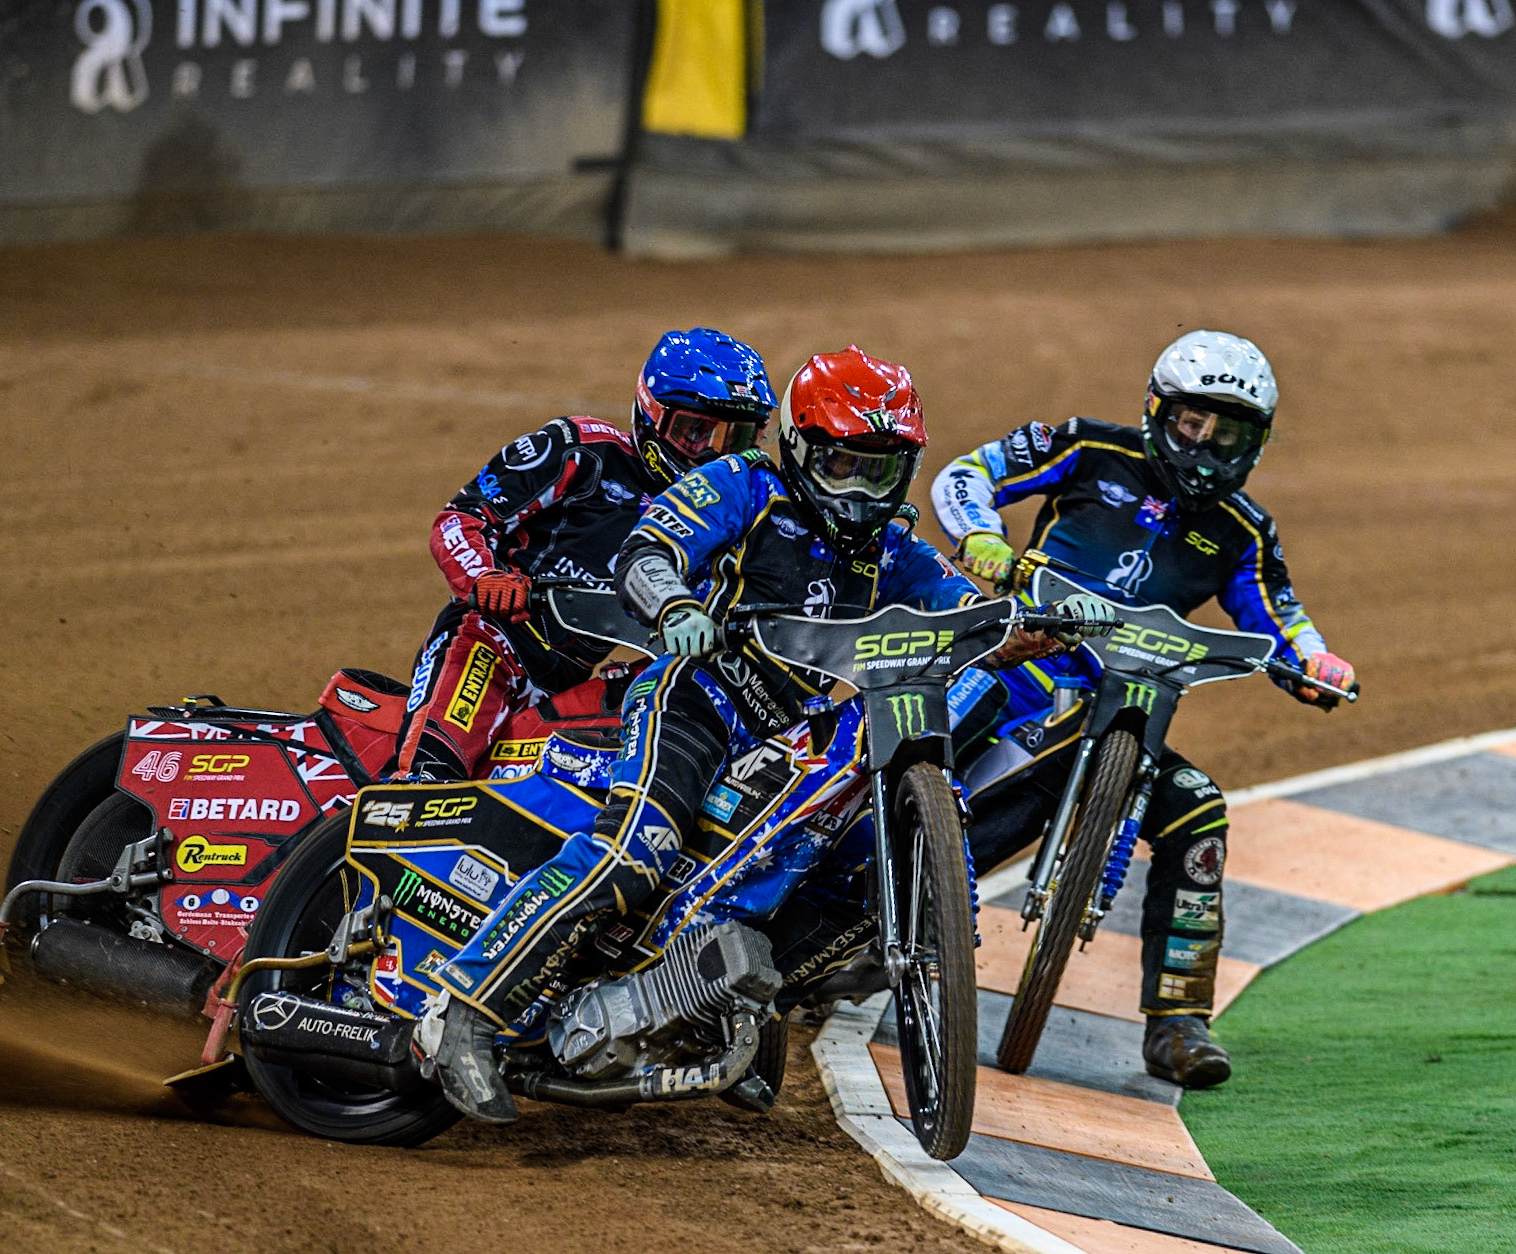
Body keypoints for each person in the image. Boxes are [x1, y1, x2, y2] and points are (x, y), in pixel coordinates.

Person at [419, 346, 1086, 1124]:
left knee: (785, 878)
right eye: (843, 463)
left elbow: (959, 621)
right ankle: (460, 1012)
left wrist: (1034, 627)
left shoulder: (892, 550)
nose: (861, 489)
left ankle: (700, 1017)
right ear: (801, 447)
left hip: (782, 737)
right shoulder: (741, 485)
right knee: (636, 851)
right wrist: (673, 607)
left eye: (881, 470)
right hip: (692, 702)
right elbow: (647, 547)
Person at [929, 330, 1356, 1089]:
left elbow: (1280, 618)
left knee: (1197, 812)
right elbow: (968, 472)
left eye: (1228, 431)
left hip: (1126, 713)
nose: (1204, 443)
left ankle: (1178, 1021)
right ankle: (848, 893)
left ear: (1255, 440)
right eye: (1192, 421)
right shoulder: (1087, 448)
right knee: (922, 748)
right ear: (1159, 410)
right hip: (1015, 669)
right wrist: (982, 541)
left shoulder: (1243, 531)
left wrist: (1316, 662)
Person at [393, 328, 777, 781]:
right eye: (696, 431)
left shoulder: (727, 519)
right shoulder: (584, 449)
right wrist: (484, 579)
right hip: (492, 643)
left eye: (737, 440)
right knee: (429, 778)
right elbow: (461, 519)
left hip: (576, 678)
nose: (712, 455)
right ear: (652, 415)